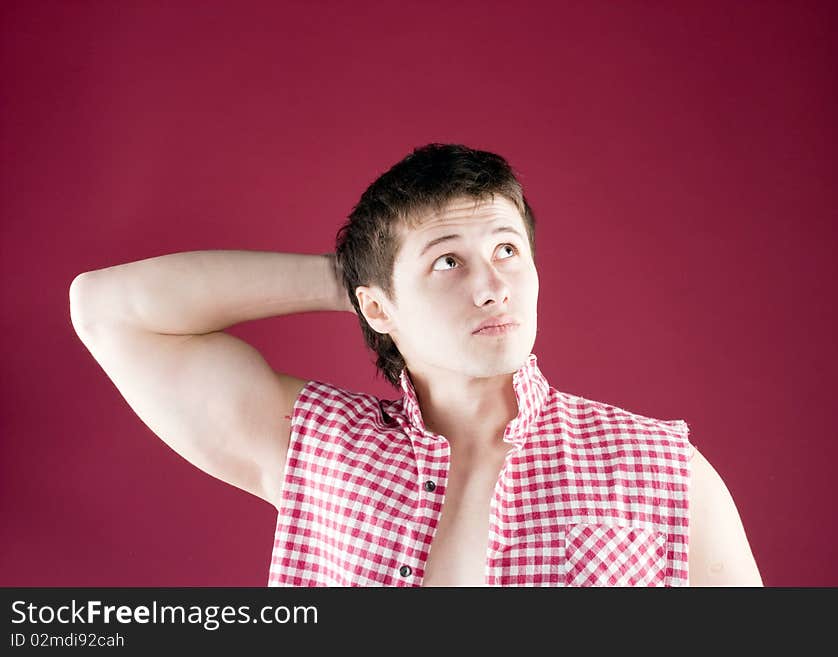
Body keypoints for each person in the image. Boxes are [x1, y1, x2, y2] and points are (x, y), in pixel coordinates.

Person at [69, 143, 763, 587]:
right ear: (376, 308)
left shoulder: (661, 467)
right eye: (448, 261)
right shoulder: (320, 451)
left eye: (507, 249)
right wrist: (354, 282)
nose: (492, 284)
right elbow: (106, 308)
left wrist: (404, 284)